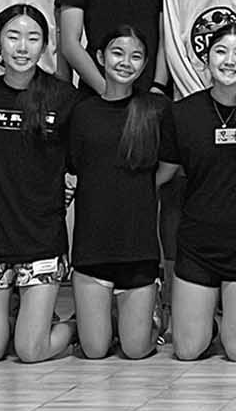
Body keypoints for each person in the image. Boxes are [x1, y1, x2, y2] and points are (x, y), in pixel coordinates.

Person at [159, 21, 236, 362]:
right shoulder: (182, 114)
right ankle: (214, 323)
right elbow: (164, 173)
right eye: (221, 51)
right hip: (199, 244)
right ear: (206, 60)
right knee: (187, 350)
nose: (230, 61)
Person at [0, 5, 78, 363]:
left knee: (30, 352)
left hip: (40, 240)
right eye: (13, 37)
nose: (22, 47)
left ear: (45, 45)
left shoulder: (63, 97)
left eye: (33, 38)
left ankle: (79, 324)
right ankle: (11, 318)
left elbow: (76, 165)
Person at [68, 27, 166, 360]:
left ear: (145, 65)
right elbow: (75, 167)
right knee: (94, 351)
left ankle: (153, 314)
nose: (126, 62)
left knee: (135, 351)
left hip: (137, 247)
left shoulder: (154, 110)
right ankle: (104, 318)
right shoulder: (82, 113)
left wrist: (140, 190)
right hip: (92, 247)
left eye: (136, 56)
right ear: (99, 57)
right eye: (117, 53)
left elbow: (168, 166)